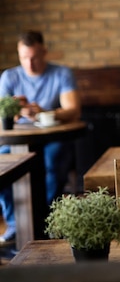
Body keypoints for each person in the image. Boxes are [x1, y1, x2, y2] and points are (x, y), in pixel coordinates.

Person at [0, 31, 81, 246]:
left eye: (34, 57)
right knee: (3, 168)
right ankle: (15, 225)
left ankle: (46, 223)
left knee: (52, 163)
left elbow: (73, 110)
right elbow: (2, 116)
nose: (30, 64)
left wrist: (45, 112)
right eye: (24, 58)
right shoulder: (9, 76)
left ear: (44, 52)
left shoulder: (61, 73)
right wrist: (16, 111)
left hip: (52, 137)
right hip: (17, 141)